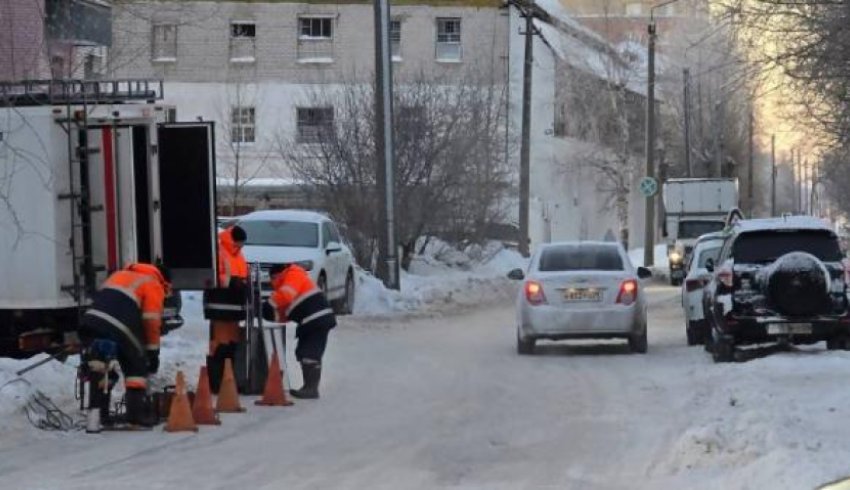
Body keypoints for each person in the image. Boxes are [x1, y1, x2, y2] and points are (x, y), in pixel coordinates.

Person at [80, 263, 171, 427]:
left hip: (91, 321)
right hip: (118, 325)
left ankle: (99, 415)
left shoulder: (119, 274)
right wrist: (152, 353)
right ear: (164, 280)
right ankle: (136, 414)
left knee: (99, 366)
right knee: (135, 363)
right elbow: (151, 321)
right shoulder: (153, 283)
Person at [265, 263, 337, 399]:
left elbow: (286, 295)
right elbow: (285, 314)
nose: (272, 283)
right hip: (311, 321)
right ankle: (308, 387)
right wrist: (269, 313)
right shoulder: (287, 284)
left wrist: (270, 304)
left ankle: (311, 389)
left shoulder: (293, 274)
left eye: (273, 279)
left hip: (317, 319)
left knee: (310, 353)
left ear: (277, 275)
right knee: (303, 352)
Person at [207, 225, 248, 392]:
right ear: (233, 240)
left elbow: (241, 273)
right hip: (220, 304)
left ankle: (229, 380)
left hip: (234, 306)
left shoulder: (238, 254)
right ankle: (217, 383)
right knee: (220, 344)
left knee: (232, 344)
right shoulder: (219, 251)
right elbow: (214, 275)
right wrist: (232, 282)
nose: (240, 247)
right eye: (239, 244)